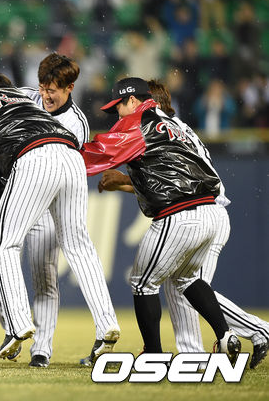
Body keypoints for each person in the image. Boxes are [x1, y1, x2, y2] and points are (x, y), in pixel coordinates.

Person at [98, 79, 268, 369]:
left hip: (197, 212)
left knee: (179, 285)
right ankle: (204, 349)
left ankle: (242, 336)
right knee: (184, 283)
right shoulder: (178, 128)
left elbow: (168, 181)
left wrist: (123, 179)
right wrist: (127, 183)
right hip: (211, 211)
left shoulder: (154, 128)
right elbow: (165, 179)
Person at [0, 74, 115, 362]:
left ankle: (18, 325)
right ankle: (107, 324)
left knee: (6, 246)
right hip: (71, 156)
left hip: (33, 160)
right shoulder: (27, 102)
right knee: (79, 246)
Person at [0, 53, 119, 368]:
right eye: (43, 87)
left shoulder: (77, 121)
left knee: (44, 276)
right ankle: (103, 323)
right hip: (32, 191)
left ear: (70, 88)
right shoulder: (26, 96)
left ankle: (40, 348)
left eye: (52, 90)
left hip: (48, 198)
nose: (46, 95)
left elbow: (52, 162)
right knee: (75, 250)